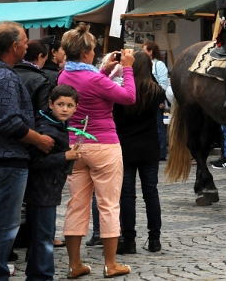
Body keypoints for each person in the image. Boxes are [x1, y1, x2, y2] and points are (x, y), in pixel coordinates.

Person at [59, 24, 135, 279]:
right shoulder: (93, 78)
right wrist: (127, 67)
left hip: (75, 145)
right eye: (92, 51)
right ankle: (111, 264)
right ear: (85, 54)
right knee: (108, 204)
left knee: (76, 205)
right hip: (103, 144)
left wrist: (106, 69)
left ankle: (74, 264)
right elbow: (128, 96)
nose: (93, 54)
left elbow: (93, 82)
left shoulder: (64, 75)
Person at [0, 22, 55, 281]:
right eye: (24, 41)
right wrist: (40, 141)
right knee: (3, 227)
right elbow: (10, 122)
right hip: (5, 162)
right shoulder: (4, 77)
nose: (27, 45)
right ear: (13, 46)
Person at [24, 85, 81, 281]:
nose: (64, 109)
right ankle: (42, 276)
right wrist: (65, 156)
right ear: (51, 104)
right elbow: (37, 162)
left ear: (76, 107)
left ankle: (35, 275)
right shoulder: (47, 128)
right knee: (44, 238)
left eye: (69, 105)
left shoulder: (57, 125)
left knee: (40, 237)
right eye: (60, 104)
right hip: (43, 190)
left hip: (48, 189)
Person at [113, 51, 164, 254]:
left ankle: (129, 239)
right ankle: (154, 239)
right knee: (151, 193)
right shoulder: (157, 91)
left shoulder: (122, 93)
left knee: (127, 195)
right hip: (150, 147)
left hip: (126, 147)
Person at [142, 41, 169, 161]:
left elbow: (163, 83)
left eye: (144, 50)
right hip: (146, 100)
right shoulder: (144, 64)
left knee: (158, 126)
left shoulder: (159, 65)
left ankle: (161, 152)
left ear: (150, 52)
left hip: (156, 99)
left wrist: (160, 99)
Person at [15, 40, 53, 115]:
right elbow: (42, 112)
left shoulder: (9, 72)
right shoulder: (42, 80)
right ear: (39, 56)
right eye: (44, 59)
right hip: (31, 124)